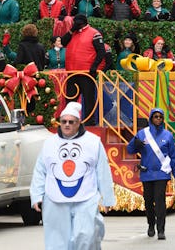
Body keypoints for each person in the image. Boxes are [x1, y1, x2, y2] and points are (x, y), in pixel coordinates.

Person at [30, 101, 116, 250]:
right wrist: (37, 195)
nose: (67, 125)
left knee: (86, 236)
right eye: (64, 121)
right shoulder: (49, 143)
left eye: (71, 122)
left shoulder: (93, 142)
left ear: (78, 123)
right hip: (55, 200)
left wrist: (107, 198)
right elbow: (40, 170)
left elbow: (102, 171)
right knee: (58, 242)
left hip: (86, 198)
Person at [127, 108, 175, 240]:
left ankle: (161, 229)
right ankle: (151, 224)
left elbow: (173, 158)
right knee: (148, 201)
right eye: (155, 117)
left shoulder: (168, 135)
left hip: (162, 174)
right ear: (151, 118)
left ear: (163, 119)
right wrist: (135, 143)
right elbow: (129, 149)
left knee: (160, 201)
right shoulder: (142, 134)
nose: (158, 119)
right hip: (147, 173)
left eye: (160, 117)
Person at [61, 15, 106, 123]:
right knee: (70, 99)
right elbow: (63, 42)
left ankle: (89, 122)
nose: (75, 24)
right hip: (72, 72)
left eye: (77, 23)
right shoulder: (73, 33)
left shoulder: (94, 33)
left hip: (86, 73)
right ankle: (69, 121)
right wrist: (71, 30)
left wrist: (94, 66)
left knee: (88, 99)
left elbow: (101, 51)